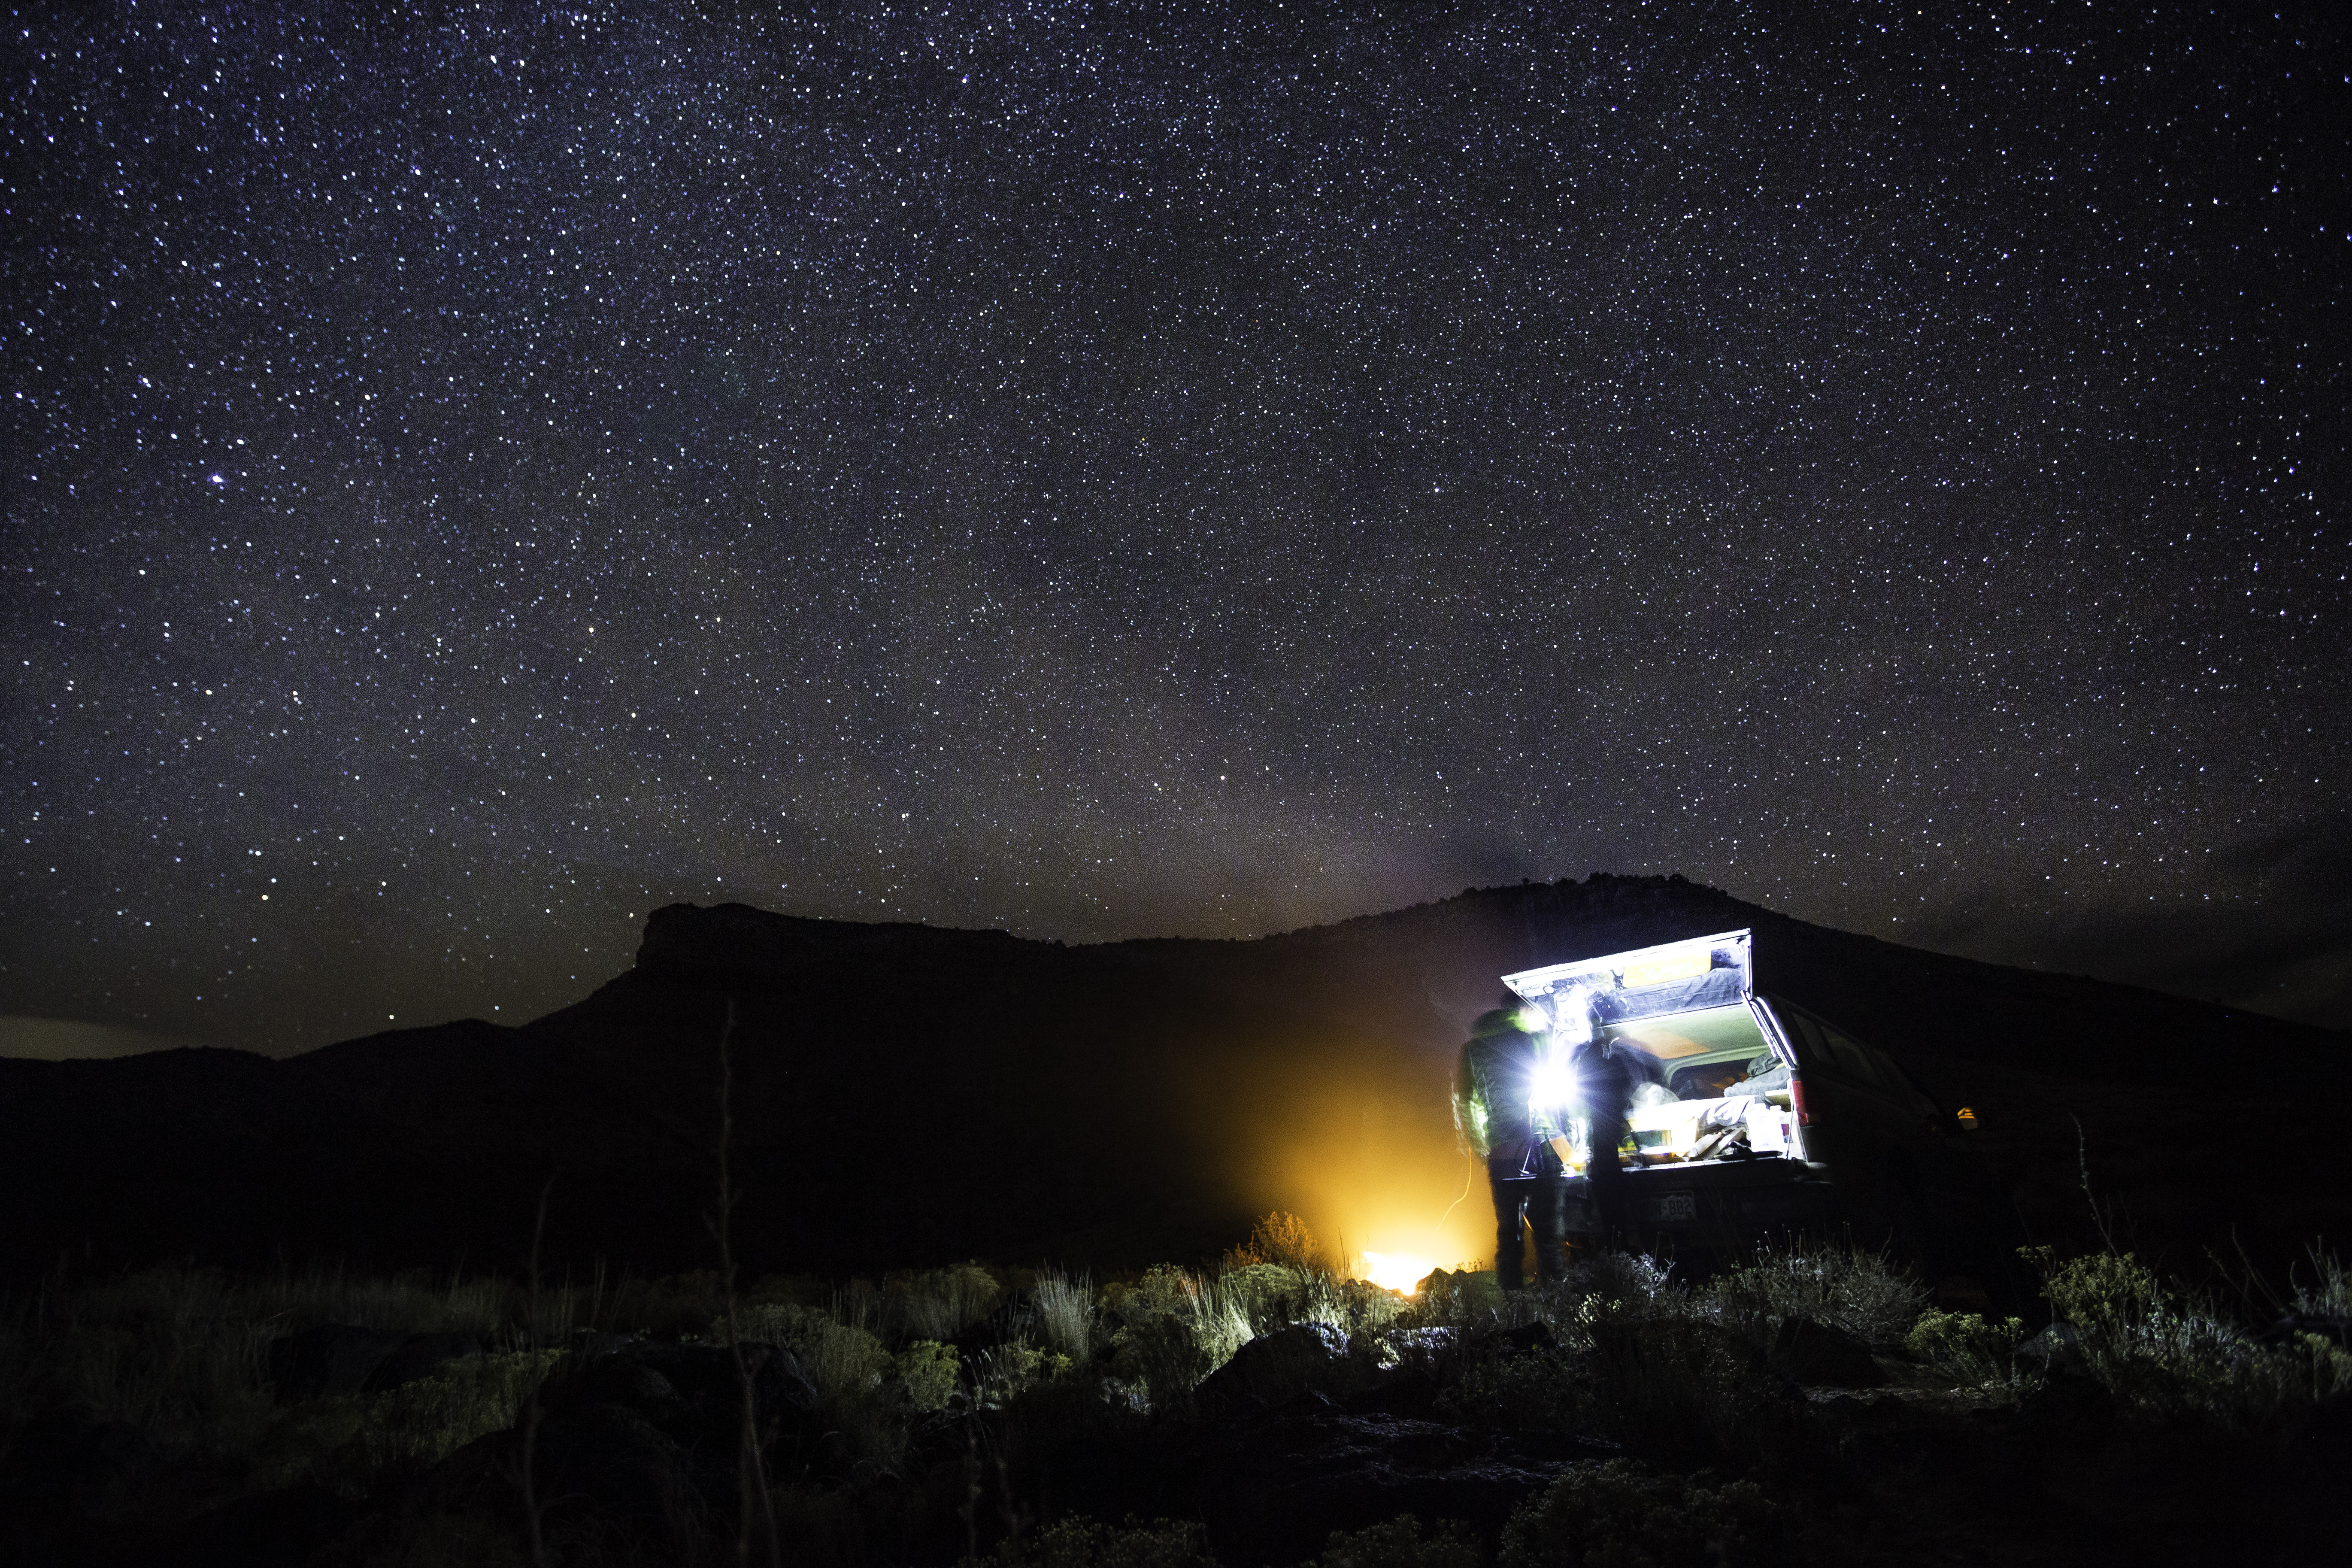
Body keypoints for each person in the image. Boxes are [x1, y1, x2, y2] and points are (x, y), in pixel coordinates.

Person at [1454, 995, 1568, 1289]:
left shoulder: (1471, 1050)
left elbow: (1465, 1104)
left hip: (1501, 1153)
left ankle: (1512, 1314)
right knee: (1548, 1236)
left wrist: (1482, 1149)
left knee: (1509, 1235)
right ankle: (1556, 1308)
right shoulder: (1537, 1042)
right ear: (1522, 1011)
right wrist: (1567, 1151)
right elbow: (1554, 1104)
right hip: (1541, 1148)